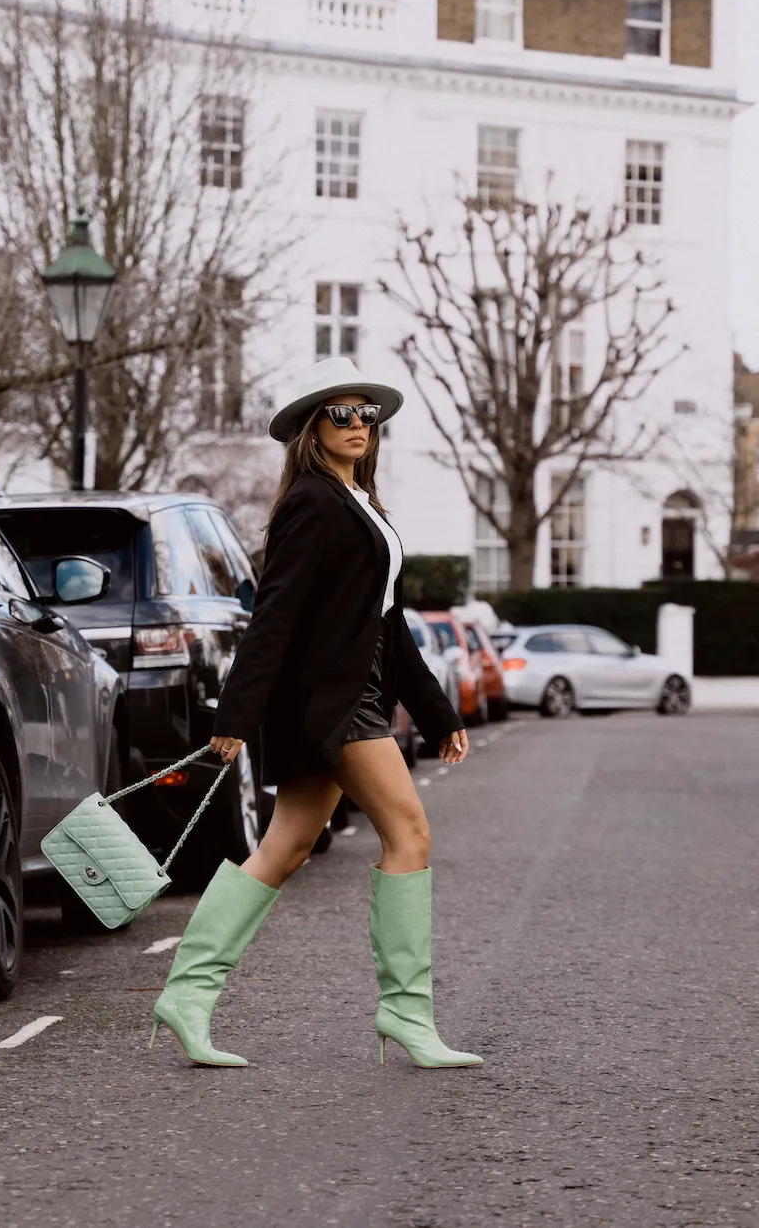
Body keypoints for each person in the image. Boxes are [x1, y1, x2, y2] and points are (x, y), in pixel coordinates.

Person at [149, 356, 483, 1069]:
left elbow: (388, 625)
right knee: (410, 831)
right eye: (342, 412)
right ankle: (406, 1014)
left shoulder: (361, 503)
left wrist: (436, 710)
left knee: (285, 847)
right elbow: (275, 615)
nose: (358, 424)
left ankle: (186, 994)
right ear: (313, 425)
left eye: (367, 413)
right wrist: (235, 715)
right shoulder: (310, 502)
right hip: (329, 705)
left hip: (354, 696)